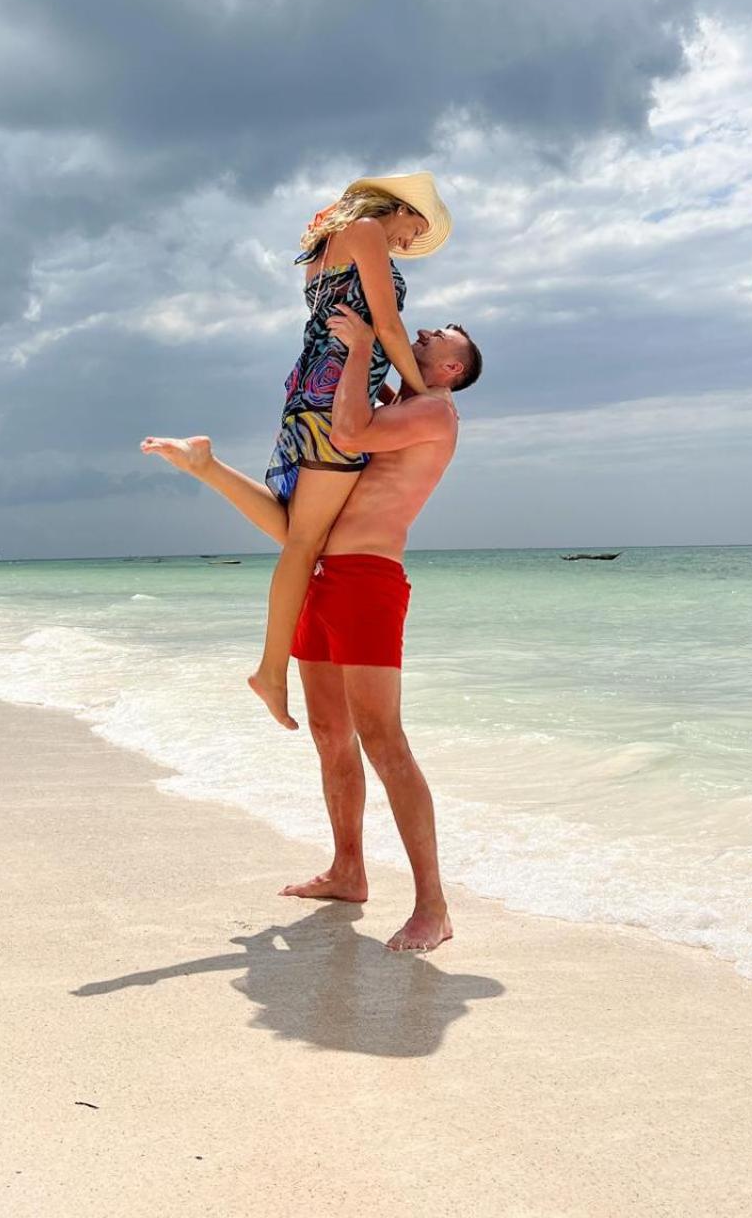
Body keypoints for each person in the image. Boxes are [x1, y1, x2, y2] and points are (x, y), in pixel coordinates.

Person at [140, 305, 482, 952]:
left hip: (367, 580)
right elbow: (339, 422)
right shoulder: (402, 405)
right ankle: (348, 870)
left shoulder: (437, 412)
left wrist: (360, 348)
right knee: (330, 734)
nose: (423, 332)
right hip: (322, 576)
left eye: (438, 337)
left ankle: (433, 907)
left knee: (383, 740)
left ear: (451, 369)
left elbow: (349, 431)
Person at [247, 172, 453, 732]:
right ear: (399, 207)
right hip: (328, 404)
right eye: (417, 227)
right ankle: (270, 671)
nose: (412, 240)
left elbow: (346, 334)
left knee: (301, 534)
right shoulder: (364, 230)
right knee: (303, 543)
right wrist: (421, 393)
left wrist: (387, 389)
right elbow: (387, 326)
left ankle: (205, 467)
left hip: (316, 394)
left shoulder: (327, 247)